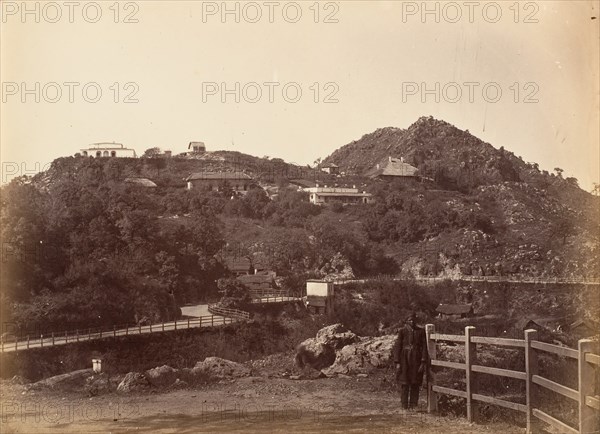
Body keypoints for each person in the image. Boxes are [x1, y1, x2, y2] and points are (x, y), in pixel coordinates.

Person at [393, 312, 429, 409]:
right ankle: (404, 404)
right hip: (404, 359)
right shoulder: (402, 331)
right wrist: (397, 362)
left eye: (413, 320)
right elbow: (398, 346)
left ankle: (413, 404)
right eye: (410, 320)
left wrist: (423, 361)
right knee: (405, 382)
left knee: (415, 382)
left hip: (416, 358)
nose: (412, 322)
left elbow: (425, 347)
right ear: (406, 321)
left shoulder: (421, 332)